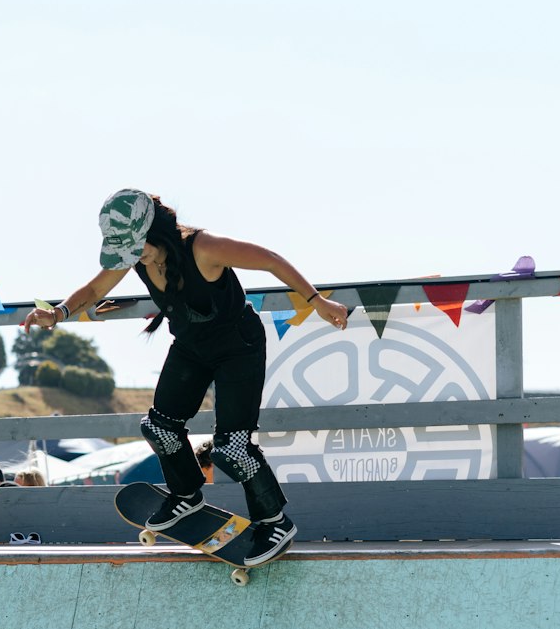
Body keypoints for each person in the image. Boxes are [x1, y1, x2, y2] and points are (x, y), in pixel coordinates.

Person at [23, 189, 348, 566]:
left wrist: (317, 302)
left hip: (237, 346)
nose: (133, 259)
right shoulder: (137, 255)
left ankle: (273, 521)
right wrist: (58, 313)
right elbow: (96, 288)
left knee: (232, 448)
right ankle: (186, 495)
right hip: (191, 346)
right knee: (159, 427)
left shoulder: (204, 247)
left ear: (155, 230)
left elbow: (271, 260)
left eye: (137, 248)